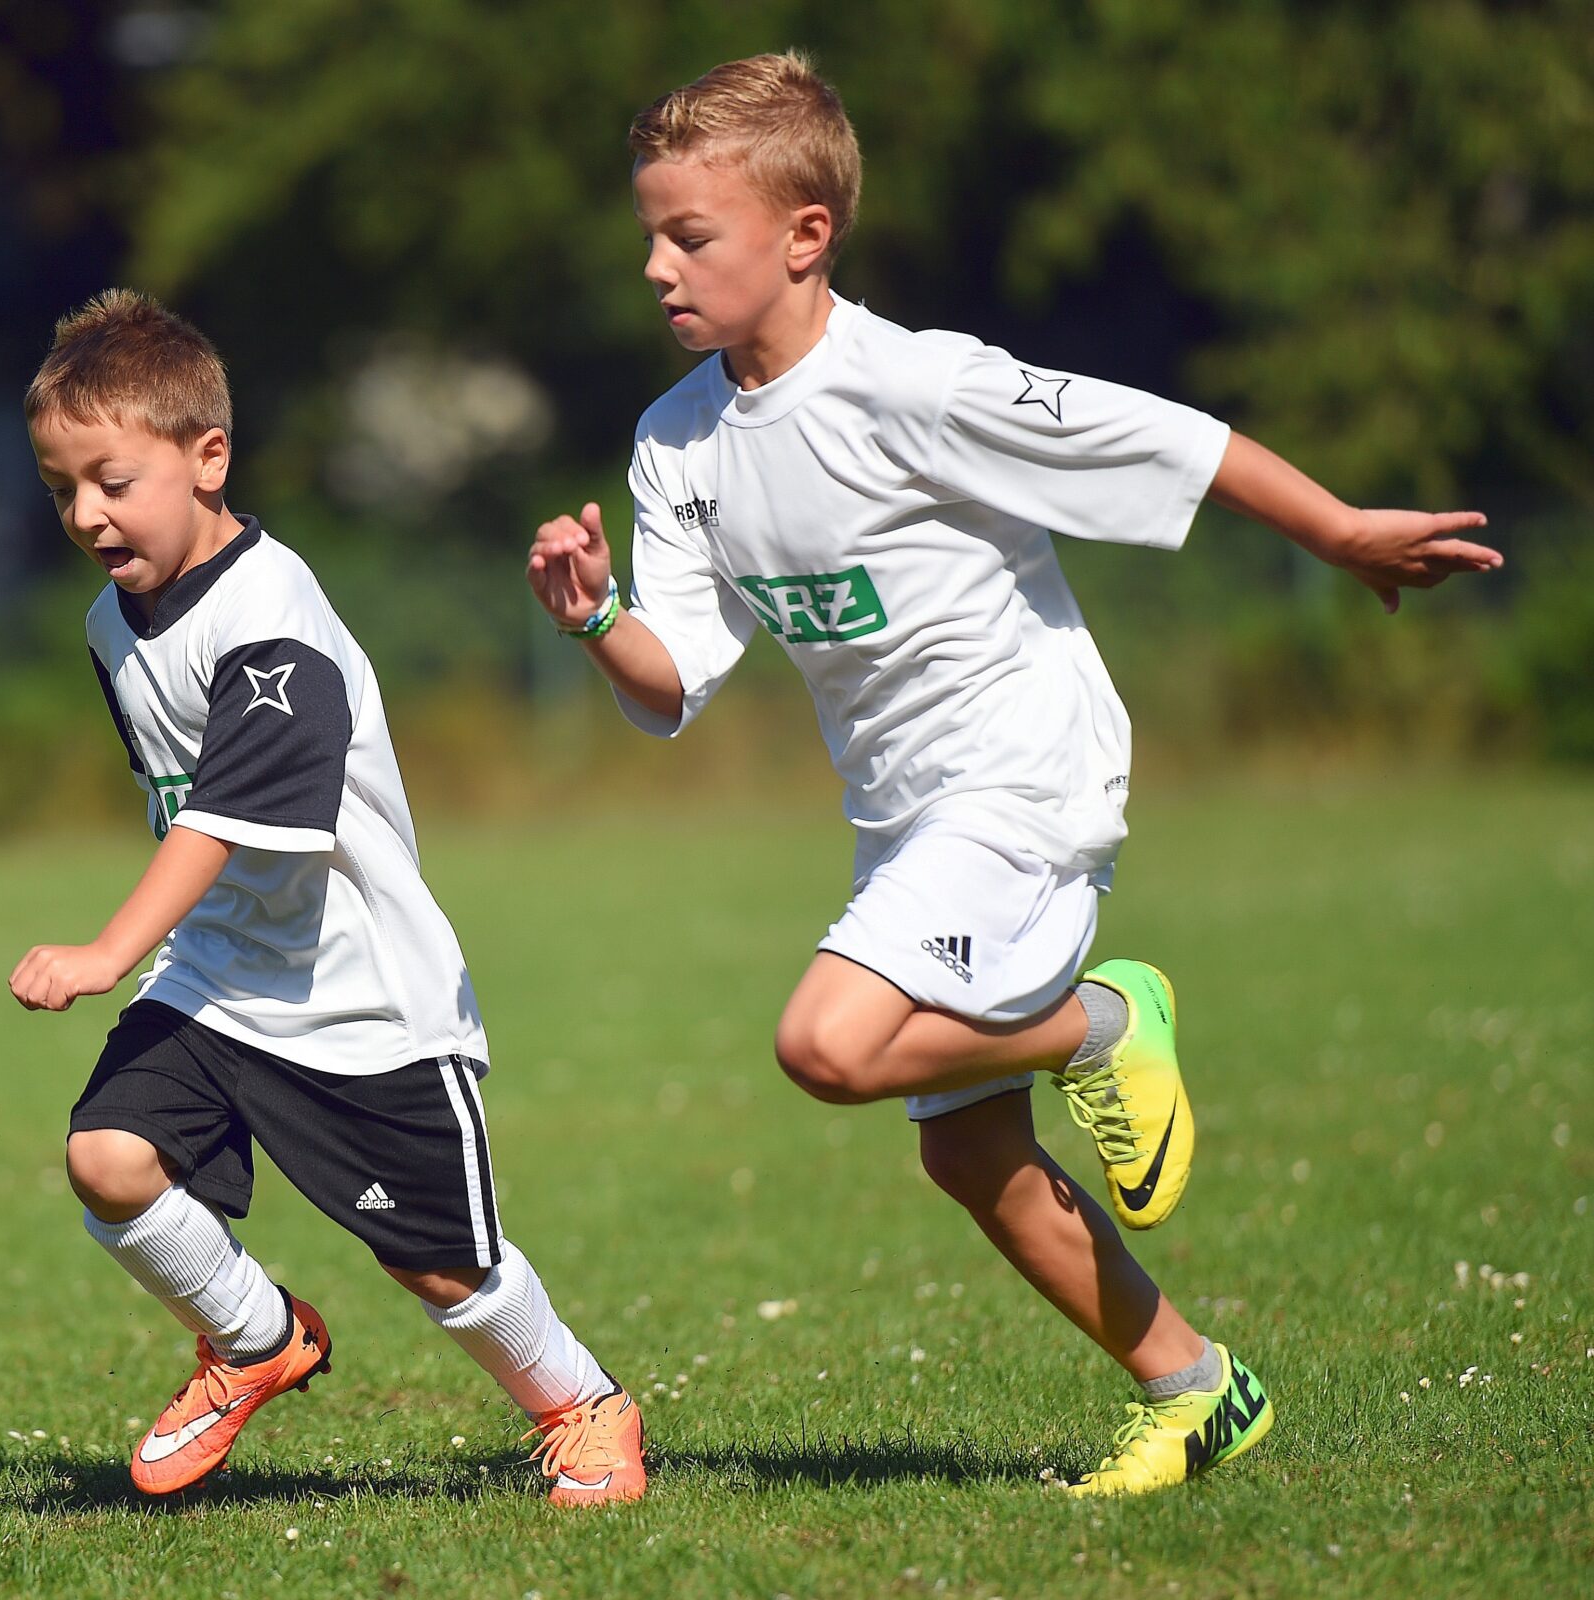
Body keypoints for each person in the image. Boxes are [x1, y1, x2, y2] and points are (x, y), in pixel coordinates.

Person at [524, 53, 1499, 1495]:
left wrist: (1340, 529)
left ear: (806, 235)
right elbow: (680, 684)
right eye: (650, 236)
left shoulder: (915, 380)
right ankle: (1195, 1388)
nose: (656, 266)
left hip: (1023, 774)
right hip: (904, 816)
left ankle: (1098, 1020)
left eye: (691, 236)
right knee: (967, 1155)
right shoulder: (679, 444)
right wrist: (601, 619)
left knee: (827, 1045)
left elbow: (1163, 438)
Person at [13, 289, 645, 1504]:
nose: (86, 515)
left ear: (208, 459)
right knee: (107, 1158)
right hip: (215, 979)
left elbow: (224, 819)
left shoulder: (273, 621)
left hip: (358, 998)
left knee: (440, 1270)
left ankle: (583, 1403)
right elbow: (172, 790)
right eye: (60, 490)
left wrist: (104, 952)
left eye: (110, 480)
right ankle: (256, 1339)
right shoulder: (112, 621)